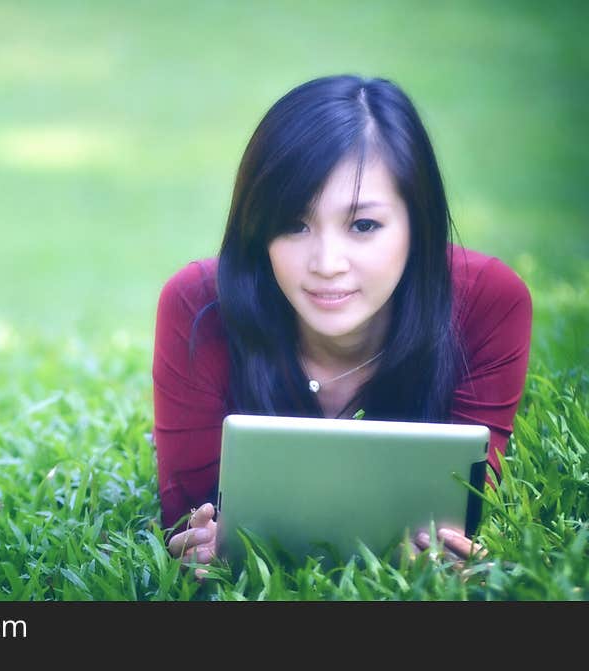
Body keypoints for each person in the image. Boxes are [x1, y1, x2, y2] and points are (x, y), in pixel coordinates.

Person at [151, 75, 532, 577]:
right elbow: (185, 516)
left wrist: (446, 555)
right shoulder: (198, 305)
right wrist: (198, 540)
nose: (328, 263)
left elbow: (466, 511)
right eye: (294, 223)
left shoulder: (487, 301)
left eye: (363, 225)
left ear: (418, 224)